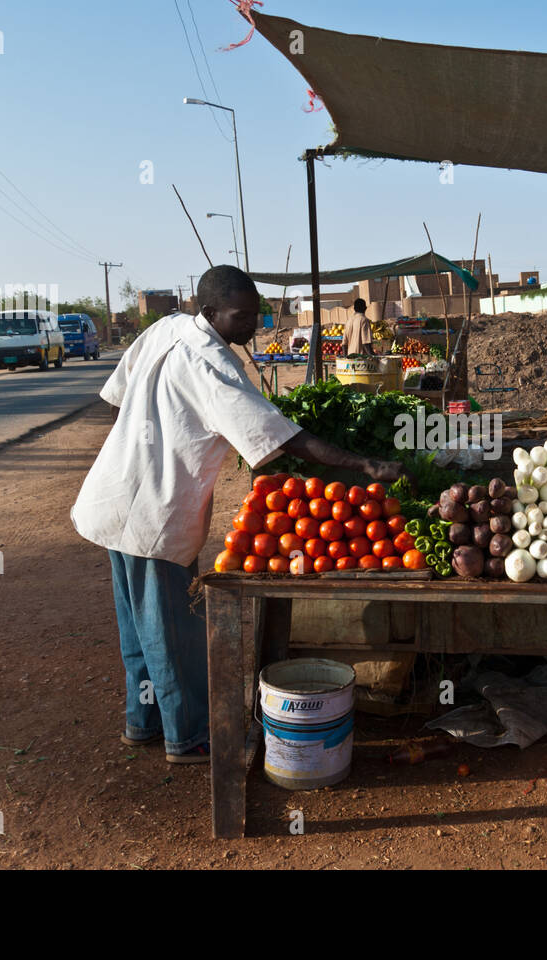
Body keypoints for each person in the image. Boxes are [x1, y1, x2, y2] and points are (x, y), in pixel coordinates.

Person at [71, 265, 400, 764]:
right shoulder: (210, 364)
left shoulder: (164, 329)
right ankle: (189, 736)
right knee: (172, 634)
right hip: (152, 513)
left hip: (115, 495)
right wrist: (362, 463)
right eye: (243, 316)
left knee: (138, 629)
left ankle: (144, 723)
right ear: (210, 313)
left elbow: (117, 398)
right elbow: (278, 434)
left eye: (257, 313)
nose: (254, 324)